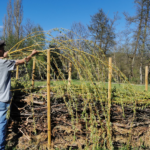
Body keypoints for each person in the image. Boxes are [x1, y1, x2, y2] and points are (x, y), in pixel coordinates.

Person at [0, 40, 38, 150]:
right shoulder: (5, 63)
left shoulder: (4, 61)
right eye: (2, 48)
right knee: (1, 125)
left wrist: (3, 56)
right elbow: (23, 61)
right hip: (2, 99)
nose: (4, 50)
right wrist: (32, 54)